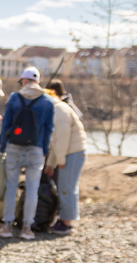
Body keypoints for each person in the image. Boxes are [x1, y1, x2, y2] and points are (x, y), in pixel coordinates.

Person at [0, 67, 55, 240]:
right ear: (38, 82)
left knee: (11, 187)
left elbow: (5, 125)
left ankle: (7, 226)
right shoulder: (48, 101)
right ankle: (26, 228)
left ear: (24, 81)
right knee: (32, 189)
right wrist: (44, 151)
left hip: (14, 147)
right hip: (35, 149)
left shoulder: (15, 98)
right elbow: (49, 129)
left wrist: (2, 147)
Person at [44, 80, 87, 235]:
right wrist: (51, 163)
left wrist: (60, 160)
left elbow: (62, 137)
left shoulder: (59, 109)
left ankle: (67, 222)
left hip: (73, 152)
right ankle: (65, 219)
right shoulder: (57, 109)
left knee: (67, 187)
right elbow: (55, 141)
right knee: (65, 186)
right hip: (71, 152)